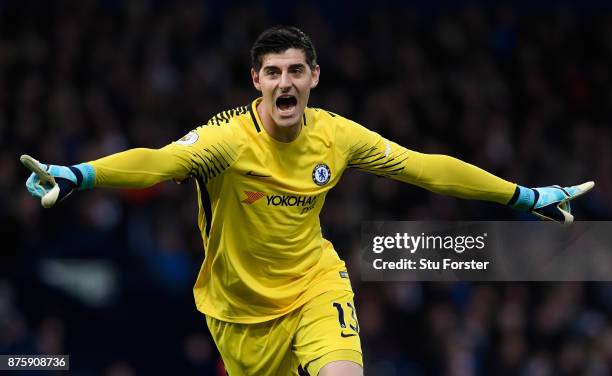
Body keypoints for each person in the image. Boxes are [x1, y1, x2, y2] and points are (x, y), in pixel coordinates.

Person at [22, 26, 594, 376]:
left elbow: (424, 168)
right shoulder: (226, 140)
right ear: (256, 81)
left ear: (314, 77)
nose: (284, 82)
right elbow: (159, 159)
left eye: (296, 70)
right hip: (239, 313)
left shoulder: (335, 135)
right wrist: (81, 174)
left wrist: (522, 196)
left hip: (315, 286)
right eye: (273, 72)